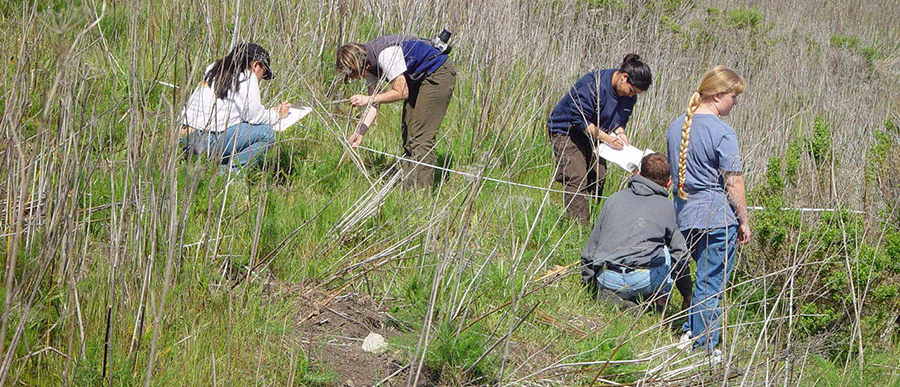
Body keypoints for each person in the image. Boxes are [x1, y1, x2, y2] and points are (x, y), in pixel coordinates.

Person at [665, 66, 752, 356]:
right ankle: (705, 346)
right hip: (717, 217)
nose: (736, 102)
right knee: (711, 282)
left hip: (686, 215)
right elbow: (734, 180)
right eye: (733, 96)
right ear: (717, 95)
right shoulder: (724, 133)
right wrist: (744, 220)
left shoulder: (676, 126)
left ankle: (691, 331)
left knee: (701, 276)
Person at [335, 34, 457, 189]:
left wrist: (366, 99)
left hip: (437, 73)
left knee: (421, 137)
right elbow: (374, 102)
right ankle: (408, 189)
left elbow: (401, 93)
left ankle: (420, 194)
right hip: (417, 79)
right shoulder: (370, 66)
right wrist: (360, 132)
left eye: (352, 74)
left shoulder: (385, 55)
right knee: (408, 134)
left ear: (359, 64)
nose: (354, 78)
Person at [546, 54, 652, 225]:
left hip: (597, 136)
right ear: (624, 78)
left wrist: (621, 133)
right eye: (631, 91)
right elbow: (580, 120)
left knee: (598, 175)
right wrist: (608, 139)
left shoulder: (629, 97)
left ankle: (595, 219)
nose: (631, 96)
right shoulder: (592, 84)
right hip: (568, 131)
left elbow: (619, 120)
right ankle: (578, 228)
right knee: (576, 176)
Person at [580, 153, 688, 310]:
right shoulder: (669, 208)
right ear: (669, 182)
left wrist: (589, 284)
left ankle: (615, 298)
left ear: (638, 173)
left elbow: (592, 247)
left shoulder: (613, 199)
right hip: (644, 280)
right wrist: (687, 292)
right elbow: (680, 255)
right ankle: (654, 304)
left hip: (608, 277)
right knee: (665, 250)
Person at [179, 43, 291, 171]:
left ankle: (210, 166)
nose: (261, 79)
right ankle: (228, 174)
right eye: (263, 74)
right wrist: (277, 114)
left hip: (183, 135)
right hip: (206, 139)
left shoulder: (214, 68)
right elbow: (254, 118)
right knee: (267, 134)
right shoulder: (246, 76)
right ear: (255, 65)